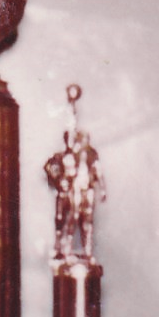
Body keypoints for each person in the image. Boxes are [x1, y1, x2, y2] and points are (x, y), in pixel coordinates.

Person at [44, 85, 104, 264]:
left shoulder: (81, 156)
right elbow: (49, 167)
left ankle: (79, 250)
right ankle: (60, 249)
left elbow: (95, 170)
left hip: (78, 192)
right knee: (61, 221)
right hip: (65, 194)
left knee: (80, 220)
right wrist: (59, 179)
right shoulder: (60, 157)